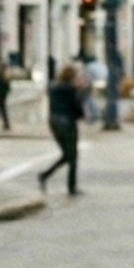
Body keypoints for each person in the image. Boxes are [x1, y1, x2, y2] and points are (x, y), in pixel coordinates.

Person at [38, 59, 86, 193]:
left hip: (54, 122)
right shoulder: (71, 89)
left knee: (67, 155)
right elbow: (77, 106)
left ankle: (45, 175)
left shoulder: (53, 87)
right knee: (73, 156)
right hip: (67, 123)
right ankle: (71, 186)